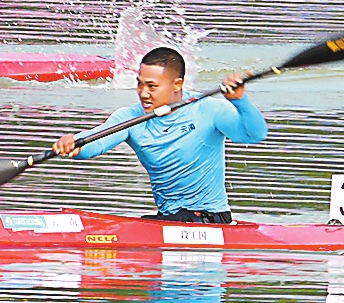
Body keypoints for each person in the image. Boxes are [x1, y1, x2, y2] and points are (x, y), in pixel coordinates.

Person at [52, 47, 265, 224]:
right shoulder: (131, 117)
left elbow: (254, 134)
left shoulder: (208, 109)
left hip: (211, 219)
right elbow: (96, 142)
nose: (143, 93)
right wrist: (74, 145)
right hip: (168, 219)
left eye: (152, 86)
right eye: (140, 84)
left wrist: (240, 101)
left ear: (177, 84)